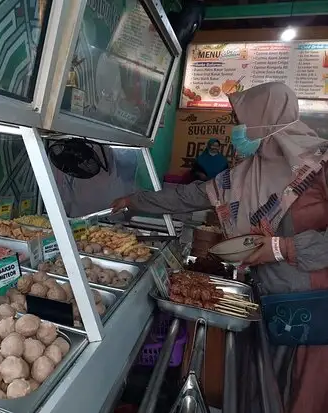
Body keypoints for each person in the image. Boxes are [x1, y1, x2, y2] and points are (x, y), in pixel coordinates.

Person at [111, 82, 328, 413]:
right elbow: (189, 196)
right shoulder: (244, 174)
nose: (236, 128)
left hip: (308, 307)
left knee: (299, 395)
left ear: (265, 118)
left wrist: (283, 247)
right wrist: (135, 201)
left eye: (241, 118)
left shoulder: (319, 167)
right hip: (264, 298)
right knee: (261, 388)